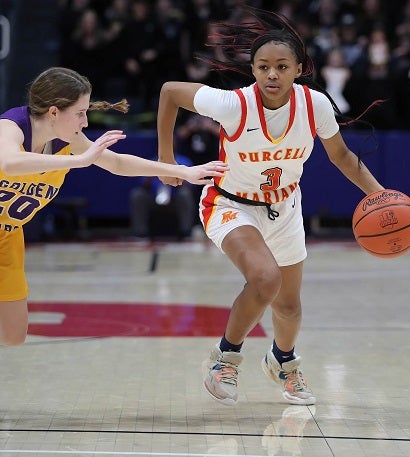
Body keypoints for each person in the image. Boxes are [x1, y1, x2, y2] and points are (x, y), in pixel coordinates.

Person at [0, 66, 228, 424]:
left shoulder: (68, 141)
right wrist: (81, 159)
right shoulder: (5, 129)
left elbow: (116, 163)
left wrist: (181, 171)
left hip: (2, 236)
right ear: (53, 113)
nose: (84, 120)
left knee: (12, 336)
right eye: (79, 112)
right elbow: (12, 163)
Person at [156, 7, 384, 406]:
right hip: (230, 205)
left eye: (281, 66)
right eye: (263, 67)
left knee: (289, 306)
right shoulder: (233, 104)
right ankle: (225, 358)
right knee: (264, 278)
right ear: (254, 70)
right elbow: (170, 92)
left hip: (285, 207)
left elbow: (343, 157)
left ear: (298, 68)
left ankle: (283, 361)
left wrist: (379, 195)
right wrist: (166, 160)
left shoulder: (315, 106)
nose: (272, 74)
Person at [129, 154, 195, 240]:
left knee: (185, 194)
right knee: (137, 195)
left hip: (174, 197)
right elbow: (143, 183)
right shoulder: (151, 162)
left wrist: (178, 177)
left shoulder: (184, 161)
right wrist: (151, 175)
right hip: (154, 197)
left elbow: (192, 184)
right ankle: (140, 233)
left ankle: (186, 232)